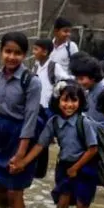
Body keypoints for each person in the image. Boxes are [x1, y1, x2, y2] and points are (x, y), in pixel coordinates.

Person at [14, 82, 100, 208]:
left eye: (74, 100)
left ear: (80, 102)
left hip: (85, 167)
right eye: (65, 100)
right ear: (57, 101)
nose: (69, 105)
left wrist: (75, 168)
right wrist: (23, 162)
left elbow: (93, 149)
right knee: (61, 206)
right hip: (64, 166)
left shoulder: (84, 122)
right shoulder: (53, 122)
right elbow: (40, 145)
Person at [0, 32, 42, 208]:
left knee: (15, 191)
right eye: (8, 51)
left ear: (24, 55)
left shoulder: (31, 81)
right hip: (0, 134)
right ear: (1, 52)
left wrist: (21, 154)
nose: (11, 57)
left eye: (17, 53)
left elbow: (31, 119)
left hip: (21, 135)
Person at [32, 38, 68, 179]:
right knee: (37, 138)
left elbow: (66, 80)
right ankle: (37, 170)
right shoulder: (36, 66)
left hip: (48, 109)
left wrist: (58, 91)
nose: (33, 52)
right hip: (36, 108)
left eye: (36, 49)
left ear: (45, 52)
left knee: (44, 140)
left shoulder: (54, 66)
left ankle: (41, 172)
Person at [70, 54, 104, 137]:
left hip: (102, 134)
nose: (78, 82)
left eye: (81, 79)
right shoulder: (89, 90)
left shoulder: (102, 92)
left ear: (93, 77)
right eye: (77, 79)